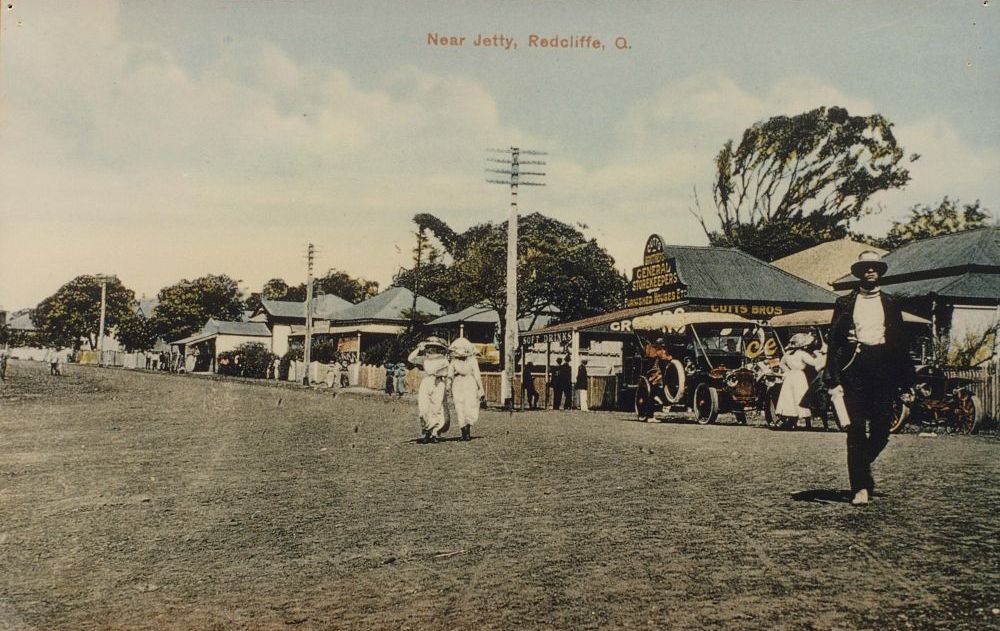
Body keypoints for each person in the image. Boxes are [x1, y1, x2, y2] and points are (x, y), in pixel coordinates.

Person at [825, 251, 912, 506]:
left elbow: (901, 344)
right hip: (854, 368)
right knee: (855, 429)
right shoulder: (844, 303)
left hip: (883, 369)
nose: (870, 271)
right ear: (859, 273)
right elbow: (834, 342)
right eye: (865, 268)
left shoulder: (891, 303)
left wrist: (907, 382)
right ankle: (860, 487)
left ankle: (861, 464)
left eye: (874, 267)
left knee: (882, 429)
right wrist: (833, 377)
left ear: (879, 272)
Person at [775, 332, 826, 429]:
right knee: (801, 396)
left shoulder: (787, 354)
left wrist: (788, 371)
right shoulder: (802, 354)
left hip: (790, 376)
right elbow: (814, 363)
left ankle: (792, 419)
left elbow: (781, 364)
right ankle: (807, 423)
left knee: (790, 397)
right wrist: (819, 355)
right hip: (799, 376)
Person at [408, 336, 451, 443]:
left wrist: (440, 374)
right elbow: (411, 359)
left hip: (438, 382)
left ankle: (434, 433)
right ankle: (427, 430)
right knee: (424, 409)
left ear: (439, 348)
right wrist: (418, 349)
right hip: (427, 382)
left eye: (435, 347)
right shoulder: (425, 359)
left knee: (436, 408)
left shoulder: (443, 359)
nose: (432, 349)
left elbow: (447, 371)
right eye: (430, 346)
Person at [449, 337, 484, 441]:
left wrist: (481, 388)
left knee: (469, 406)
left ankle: (467, 431)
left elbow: (477, 375)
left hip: (470, 384)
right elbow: (450, 374)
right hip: (458, 384)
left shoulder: (473, 360)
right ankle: (463, 432)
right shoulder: (454, 361)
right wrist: (448, 385)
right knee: (459, 408)